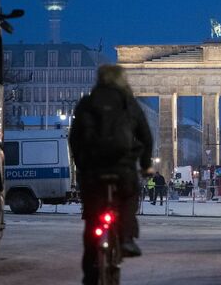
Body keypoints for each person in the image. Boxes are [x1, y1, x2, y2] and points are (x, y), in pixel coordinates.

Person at [69, 65, 154, 285]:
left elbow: (74, 138)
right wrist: (145, 165)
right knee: (128, 196)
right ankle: (125, 238)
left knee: (91, 222)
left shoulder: (87, 103)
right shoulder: (128, 103)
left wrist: (81, 165)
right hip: (122, 167)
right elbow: (146, 137)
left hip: (93, 171)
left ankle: (90, 275)